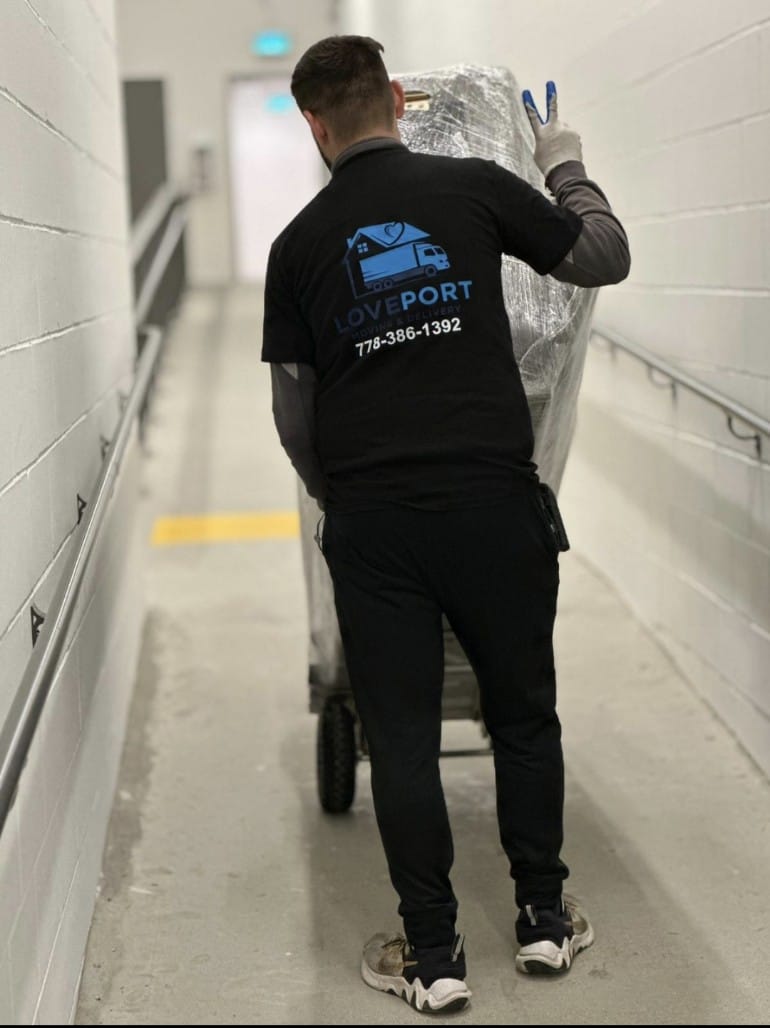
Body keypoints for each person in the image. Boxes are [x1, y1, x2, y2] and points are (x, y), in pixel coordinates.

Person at [262, 35, 630, 1015]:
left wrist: (344, 498)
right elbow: (603, 257)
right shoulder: (474, 188)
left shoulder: (297, 246)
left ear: (314, 125)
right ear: (395, 97)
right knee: (522, 716)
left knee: (401, 739)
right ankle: (543, 920)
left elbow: (293, 414)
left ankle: (432, 956)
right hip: (494, 507)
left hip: (377, 529)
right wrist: (563, 166)